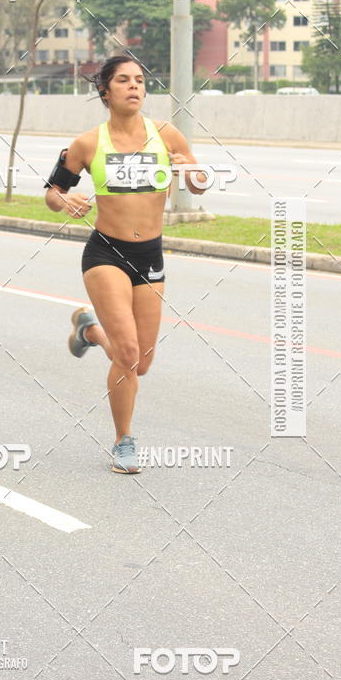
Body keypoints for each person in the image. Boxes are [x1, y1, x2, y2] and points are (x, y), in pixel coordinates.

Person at [45, 55, 207, 474]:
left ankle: (89, 328)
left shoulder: (166, 134)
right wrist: (65, 200)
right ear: (105, 90)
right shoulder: (87, 143)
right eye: (123, 80)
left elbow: (199, 180)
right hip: (106, 253)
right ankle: (123, 442)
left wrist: (192, 171)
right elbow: (52, 192)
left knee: (142, 362)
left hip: (150, 255)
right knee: (129, 353)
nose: (134, 86)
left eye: (139, 80)